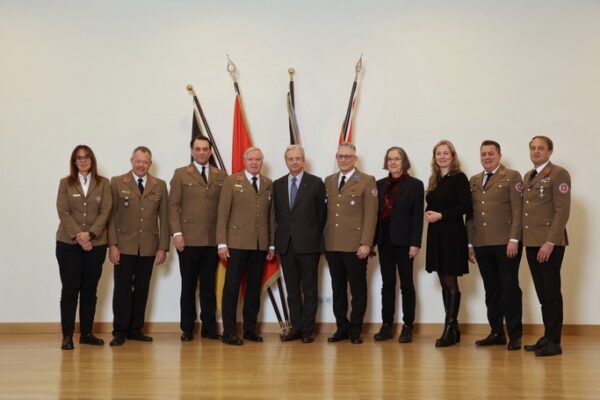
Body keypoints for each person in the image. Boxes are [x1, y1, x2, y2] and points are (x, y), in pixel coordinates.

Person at [108, 146, 169, 346]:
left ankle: (136, 329)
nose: (141, 165)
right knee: (122, 289)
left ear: (150, 164)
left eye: (145, 162)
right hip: (124, 245)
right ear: (131, 161)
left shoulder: (159, 185)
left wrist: (163, 247)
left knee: (142, 289)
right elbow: (110, 216)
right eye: (138, 161)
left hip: (149, 246)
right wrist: (112, 244)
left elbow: (165, 218)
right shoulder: (117, 182)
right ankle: (120, 331)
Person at [169, 136, 227, 342]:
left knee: (209, 287)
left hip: (212, 240)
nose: (201, 152)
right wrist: (177, 233)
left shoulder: (220, 175)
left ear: (210, 151)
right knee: (188, 286)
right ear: (192, 151)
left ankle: (209, 328)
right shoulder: (181, 174)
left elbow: (224, 208)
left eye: (205, 149)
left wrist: (222, 239)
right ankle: (187, 328)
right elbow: (173, 206)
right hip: (188, 240)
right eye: (198, 149)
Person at [467, 140, 524, 351]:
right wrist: (470, 243)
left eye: (491, 153)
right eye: (483, 154)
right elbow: (471, 214)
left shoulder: (512, 176)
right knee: (491, 289)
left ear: (499, 155)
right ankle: (497, 332)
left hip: (506, 243)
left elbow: (518, 210)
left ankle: (515, 335)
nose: (487, 157)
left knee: (509, 288)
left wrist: (514, 239)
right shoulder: (474, 180)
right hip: (482, 243)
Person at [55, 145, 112, 350]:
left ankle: (87, 333)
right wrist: (79, 235)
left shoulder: (103, 183)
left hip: (96, 244)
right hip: (68, 244)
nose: (83, 160)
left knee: (90, 289)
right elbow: (63, 211)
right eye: (78, 158)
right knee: (70, 290)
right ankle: (67, 336)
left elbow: (106, 211)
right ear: (74, 161)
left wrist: (91, 234)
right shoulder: (65, 183)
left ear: (92, 160)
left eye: (86, 157)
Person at [217, 147, 275, 346]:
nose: (254, 163)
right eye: (250, 159)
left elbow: (271, 217)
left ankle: (250, 330)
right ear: (244, 161)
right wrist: (222, 243)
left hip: (259, 244)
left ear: (262, 161)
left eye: (258, 159)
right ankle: (229, 332)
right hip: (236, 243)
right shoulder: (232, 181)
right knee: (231, 288)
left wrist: (271, 244)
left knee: (253, 289)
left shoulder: (268, 183)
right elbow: (223, 214)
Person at [323, 143, 378, 344]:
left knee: (357, 290)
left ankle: (355, 330)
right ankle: (342, 328)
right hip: (332, 244)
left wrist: (366, 243)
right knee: (338, 290)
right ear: (336, 158)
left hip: (356, 246)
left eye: (348, 156)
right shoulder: (329, 181)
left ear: (355, 159)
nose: (344, 159)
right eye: (340, 156)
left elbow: (371, 215)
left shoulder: (366, 180)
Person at [522, 136, 570, 357]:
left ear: (550, 152)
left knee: (551, 292)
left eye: (541, 148)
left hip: (549, 244)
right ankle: (547, 335)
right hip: (532, 242)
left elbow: (562, 211)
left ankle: (554, 342)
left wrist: (550, 242)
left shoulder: (559, 174)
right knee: (542, 293)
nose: (536, 151)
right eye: (533, 148)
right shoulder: (528, 175)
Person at [273, 145, 326, 343]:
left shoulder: (316, 183)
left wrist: (315, 238)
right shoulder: (278, 184)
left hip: (309, 244)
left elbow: (322, 215)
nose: (294, 162)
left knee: (309, 289)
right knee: (292, 289)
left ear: (303, 160)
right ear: (286, 161)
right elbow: (277, 215)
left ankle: (308, 330)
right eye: (290, 159)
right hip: (286, 245)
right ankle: (296, 327)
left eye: (297, 158)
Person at [424, 140, 473, 347]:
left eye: (446, 153)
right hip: (436, 234)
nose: (442, 157)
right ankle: (454, 329)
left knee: (451, 281)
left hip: (452, 234)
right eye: (438, 153)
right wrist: (429, 214)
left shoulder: (459, 178)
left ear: (453, 156)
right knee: (443, 281)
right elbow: (433, 203)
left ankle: (449, 328)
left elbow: (466, 206)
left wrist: (441, 215)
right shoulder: (435, 179)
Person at [373, 147, 424, 343]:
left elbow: (417, 216)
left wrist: (415, 243)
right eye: (390, 159)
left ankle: (408, 326)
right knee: (387, 284)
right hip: (384, 241)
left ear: (404, 162)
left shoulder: (415, 185)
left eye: (397, 159)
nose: (393, 162)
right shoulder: (379, 185)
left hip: (405, 242)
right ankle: (386, 325)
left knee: (406, 284)